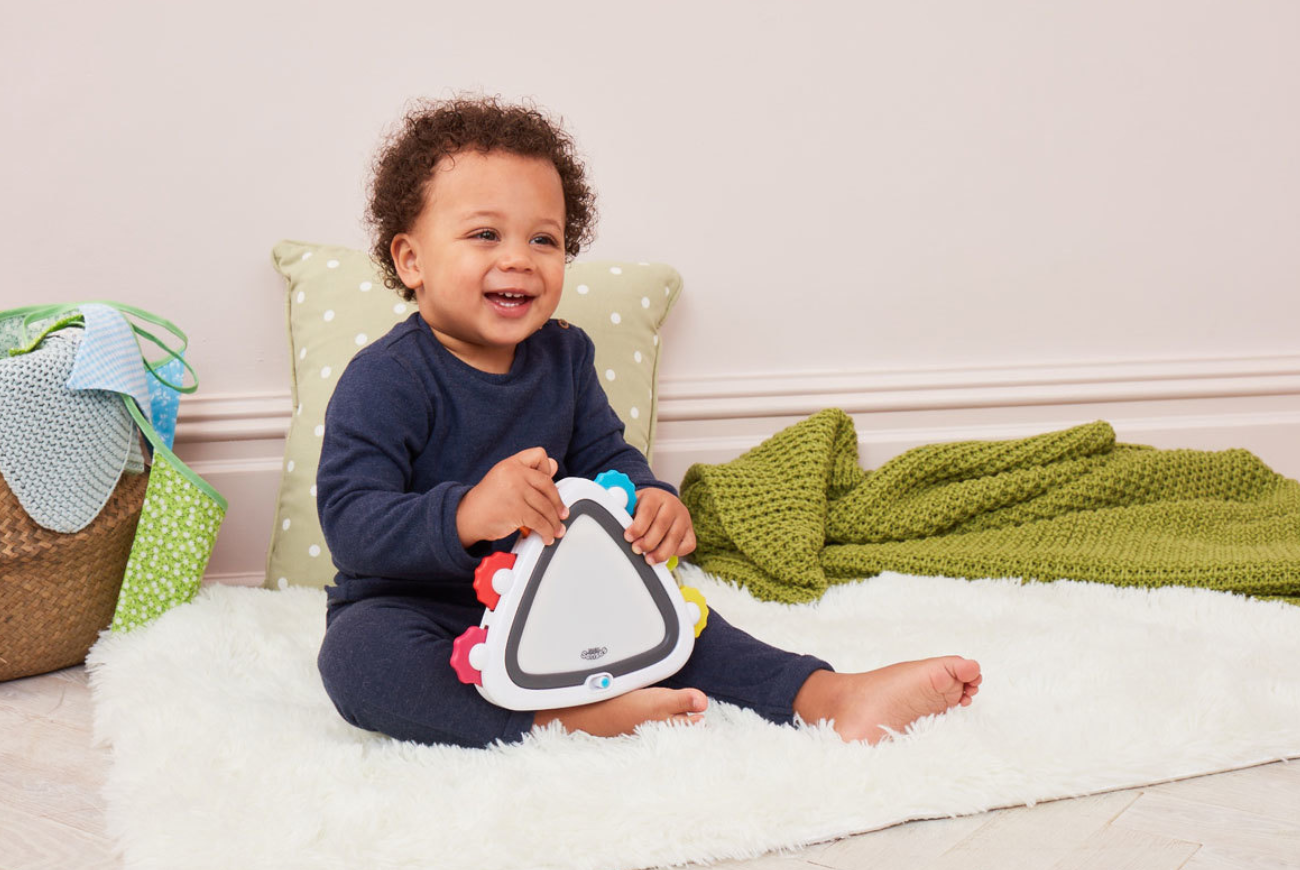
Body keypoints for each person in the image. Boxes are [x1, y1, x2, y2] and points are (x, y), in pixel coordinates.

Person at [315, 96, 982, 749]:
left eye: (543, 238)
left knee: (681, 621)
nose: (519, 257)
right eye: (485, 234)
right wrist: (466, 514)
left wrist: (648, 498)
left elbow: (608, 457)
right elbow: (352, 523)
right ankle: (562, 724)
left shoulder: (565, 355)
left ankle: (830, 696)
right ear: (411, 261)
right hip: (422, 608)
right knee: (358, 660)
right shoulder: (385, 379)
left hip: (560, 593)